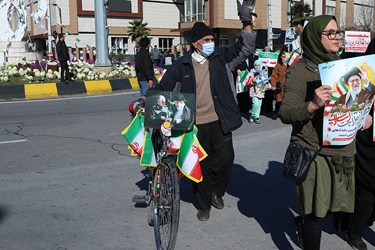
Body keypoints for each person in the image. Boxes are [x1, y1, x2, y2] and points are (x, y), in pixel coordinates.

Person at [152, 0, 256, 221]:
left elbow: (246, 48)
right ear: (196, 43)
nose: (211, 43)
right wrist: (145, 100)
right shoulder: (181, 65)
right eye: (207, 40)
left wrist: (246, 20)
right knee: (201, 167)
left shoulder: (221, 57)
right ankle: (204, 204)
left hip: (221, 121)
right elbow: (164, 88)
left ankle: (217, 191)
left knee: (226, 160)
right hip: (194, 126)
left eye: (212, 39)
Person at [278, 15, 356, 250]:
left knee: (334, 206)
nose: (336, 38)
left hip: (342, 150)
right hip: (315, 152)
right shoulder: (300, 70)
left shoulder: (343, 65)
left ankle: (304, 225)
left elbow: (351, 103)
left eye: (337, 32)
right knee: (316, 214)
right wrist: (312, 105)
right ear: (315, 37)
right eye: (330, 33)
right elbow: (285, 112)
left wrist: (363, 116)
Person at [346, 39, 375, 250]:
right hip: (369, 144)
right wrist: (362, 115)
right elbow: (348, 107)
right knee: (367, 192)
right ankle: (355, 231)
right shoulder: (362, 78)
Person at [270, 50, 288, 115]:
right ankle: (277, 112)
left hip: (288, 86)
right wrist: (273, 85)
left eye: (284, 57)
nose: (282, 58)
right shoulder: (278, 65)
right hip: (280, 86)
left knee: (287, 100)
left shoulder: (291, 66)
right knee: (279, 100)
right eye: (282, 56)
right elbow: (273, 76)